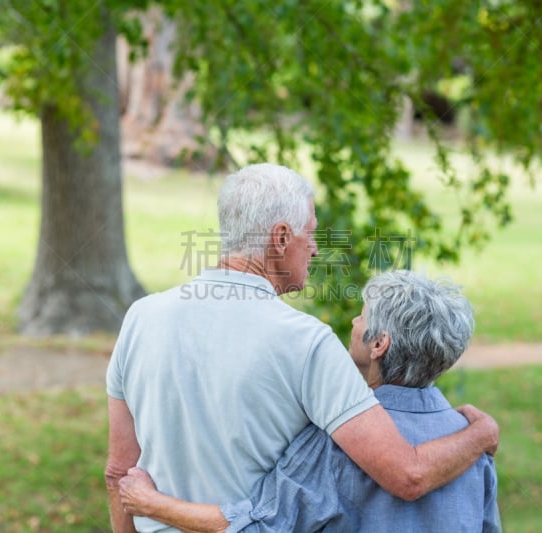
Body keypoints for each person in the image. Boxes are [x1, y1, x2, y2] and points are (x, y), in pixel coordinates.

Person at [105, 163, 499, 533]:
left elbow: (119, 472)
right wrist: (481, 434)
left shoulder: (141, 317)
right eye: (309, 234)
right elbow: (407, 475)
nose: (314, 248)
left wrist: (152, 507)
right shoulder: (307, 342)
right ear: (280, 238)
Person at [118, 270, 501, 532]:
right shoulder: (470, 443)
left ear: (379, 344)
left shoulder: (336, 441)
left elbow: (256, 524)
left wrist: (150, 503)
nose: (353, 322)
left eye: (363, 316)